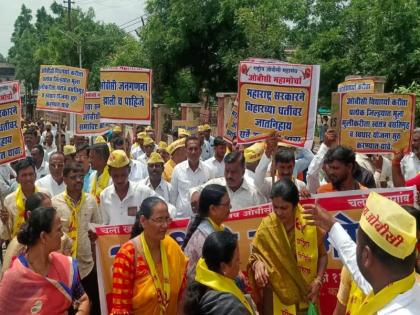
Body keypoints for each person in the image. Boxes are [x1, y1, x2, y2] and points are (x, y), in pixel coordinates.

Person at [303, 192, 420, 314]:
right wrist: (332, 226)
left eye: (357, 242)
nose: (355, 247)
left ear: (366, 255)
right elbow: (356, 265)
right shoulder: (400, 288)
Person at [248, 178, 327, 315]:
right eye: (275, 207)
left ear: (295, 205)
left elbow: (323, 255)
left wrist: (318, 280)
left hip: (306, 297)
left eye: (284, 208)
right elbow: (254, 255)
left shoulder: (308, 223)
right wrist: (257, 264)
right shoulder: (268, 225)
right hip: (275, 299)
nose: (278, 212)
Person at [0, 206, 90, 315]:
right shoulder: (14, 277)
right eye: (58, 230)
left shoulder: (65, 265)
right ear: (43, 237)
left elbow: (84, 300)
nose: (62, 235)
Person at [110, 197, 188, 315]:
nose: (165, 225)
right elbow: (120, 309)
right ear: (143, 221)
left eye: (167, 219)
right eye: (159, 220)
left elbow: (182, 293)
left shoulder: (171, 246)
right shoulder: (127, 254)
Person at [52, 162, 102, 314]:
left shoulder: (91, 201)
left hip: (87, 266)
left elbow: (98, 230)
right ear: (64, 179)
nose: (78, 180)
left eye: (81, 176)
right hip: (64, 268)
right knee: (68, 307)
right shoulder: (55, 203)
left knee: (92, 306)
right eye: (73, 177)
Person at [1, 192, 72, 279]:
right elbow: (6, 278)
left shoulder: (63, 238)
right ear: (29, 215)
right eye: (45, 212)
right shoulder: (18, 245)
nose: (51, 215)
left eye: (51, 210)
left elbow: (69, 274)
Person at [183, 230, 255, 315]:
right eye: (237, 260)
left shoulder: (202, 285)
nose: (239, 264)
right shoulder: (228, 306)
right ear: (224, 267)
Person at [190, 151, 266, 212]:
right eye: (227, 171)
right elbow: (193, 190)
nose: (229, 176)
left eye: (233, 172)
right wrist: (195, 194)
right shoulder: (215, 185)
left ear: (243, 171)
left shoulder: (254, 194)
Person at [183, 184, 230, 278]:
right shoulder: (205, 237)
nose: (230, 207)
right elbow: (217, 274)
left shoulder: (219, 228)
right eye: (227, 204)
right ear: (212, 209)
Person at [100, 150, 158, 225]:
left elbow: (169, 208)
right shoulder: (104, 196)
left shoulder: (143, 192)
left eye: (123, 175)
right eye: (116, 176)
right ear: (109, 173)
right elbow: (105, 224)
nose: (120, 180)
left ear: (129, 170)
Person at [0, 158, 49, 241]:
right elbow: (6, 236)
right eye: (24, 175)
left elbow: (50, 224)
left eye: (31, 174)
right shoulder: (9, 200)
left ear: (35, 175)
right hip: (18, 248)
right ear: (17, 179)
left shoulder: (45, 195)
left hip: (42, 245)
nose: (28, 178)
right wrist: (5, 222)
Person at [170, 135, 214, 217]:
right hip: (182, 218)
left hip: (202, 218)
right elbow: (173, 196)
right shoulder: (178, 169)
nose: (193, 152)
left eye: (196, 149)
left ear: (200, 151)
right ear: (186, 151)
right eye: (190, 149)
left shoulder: (208, 170)